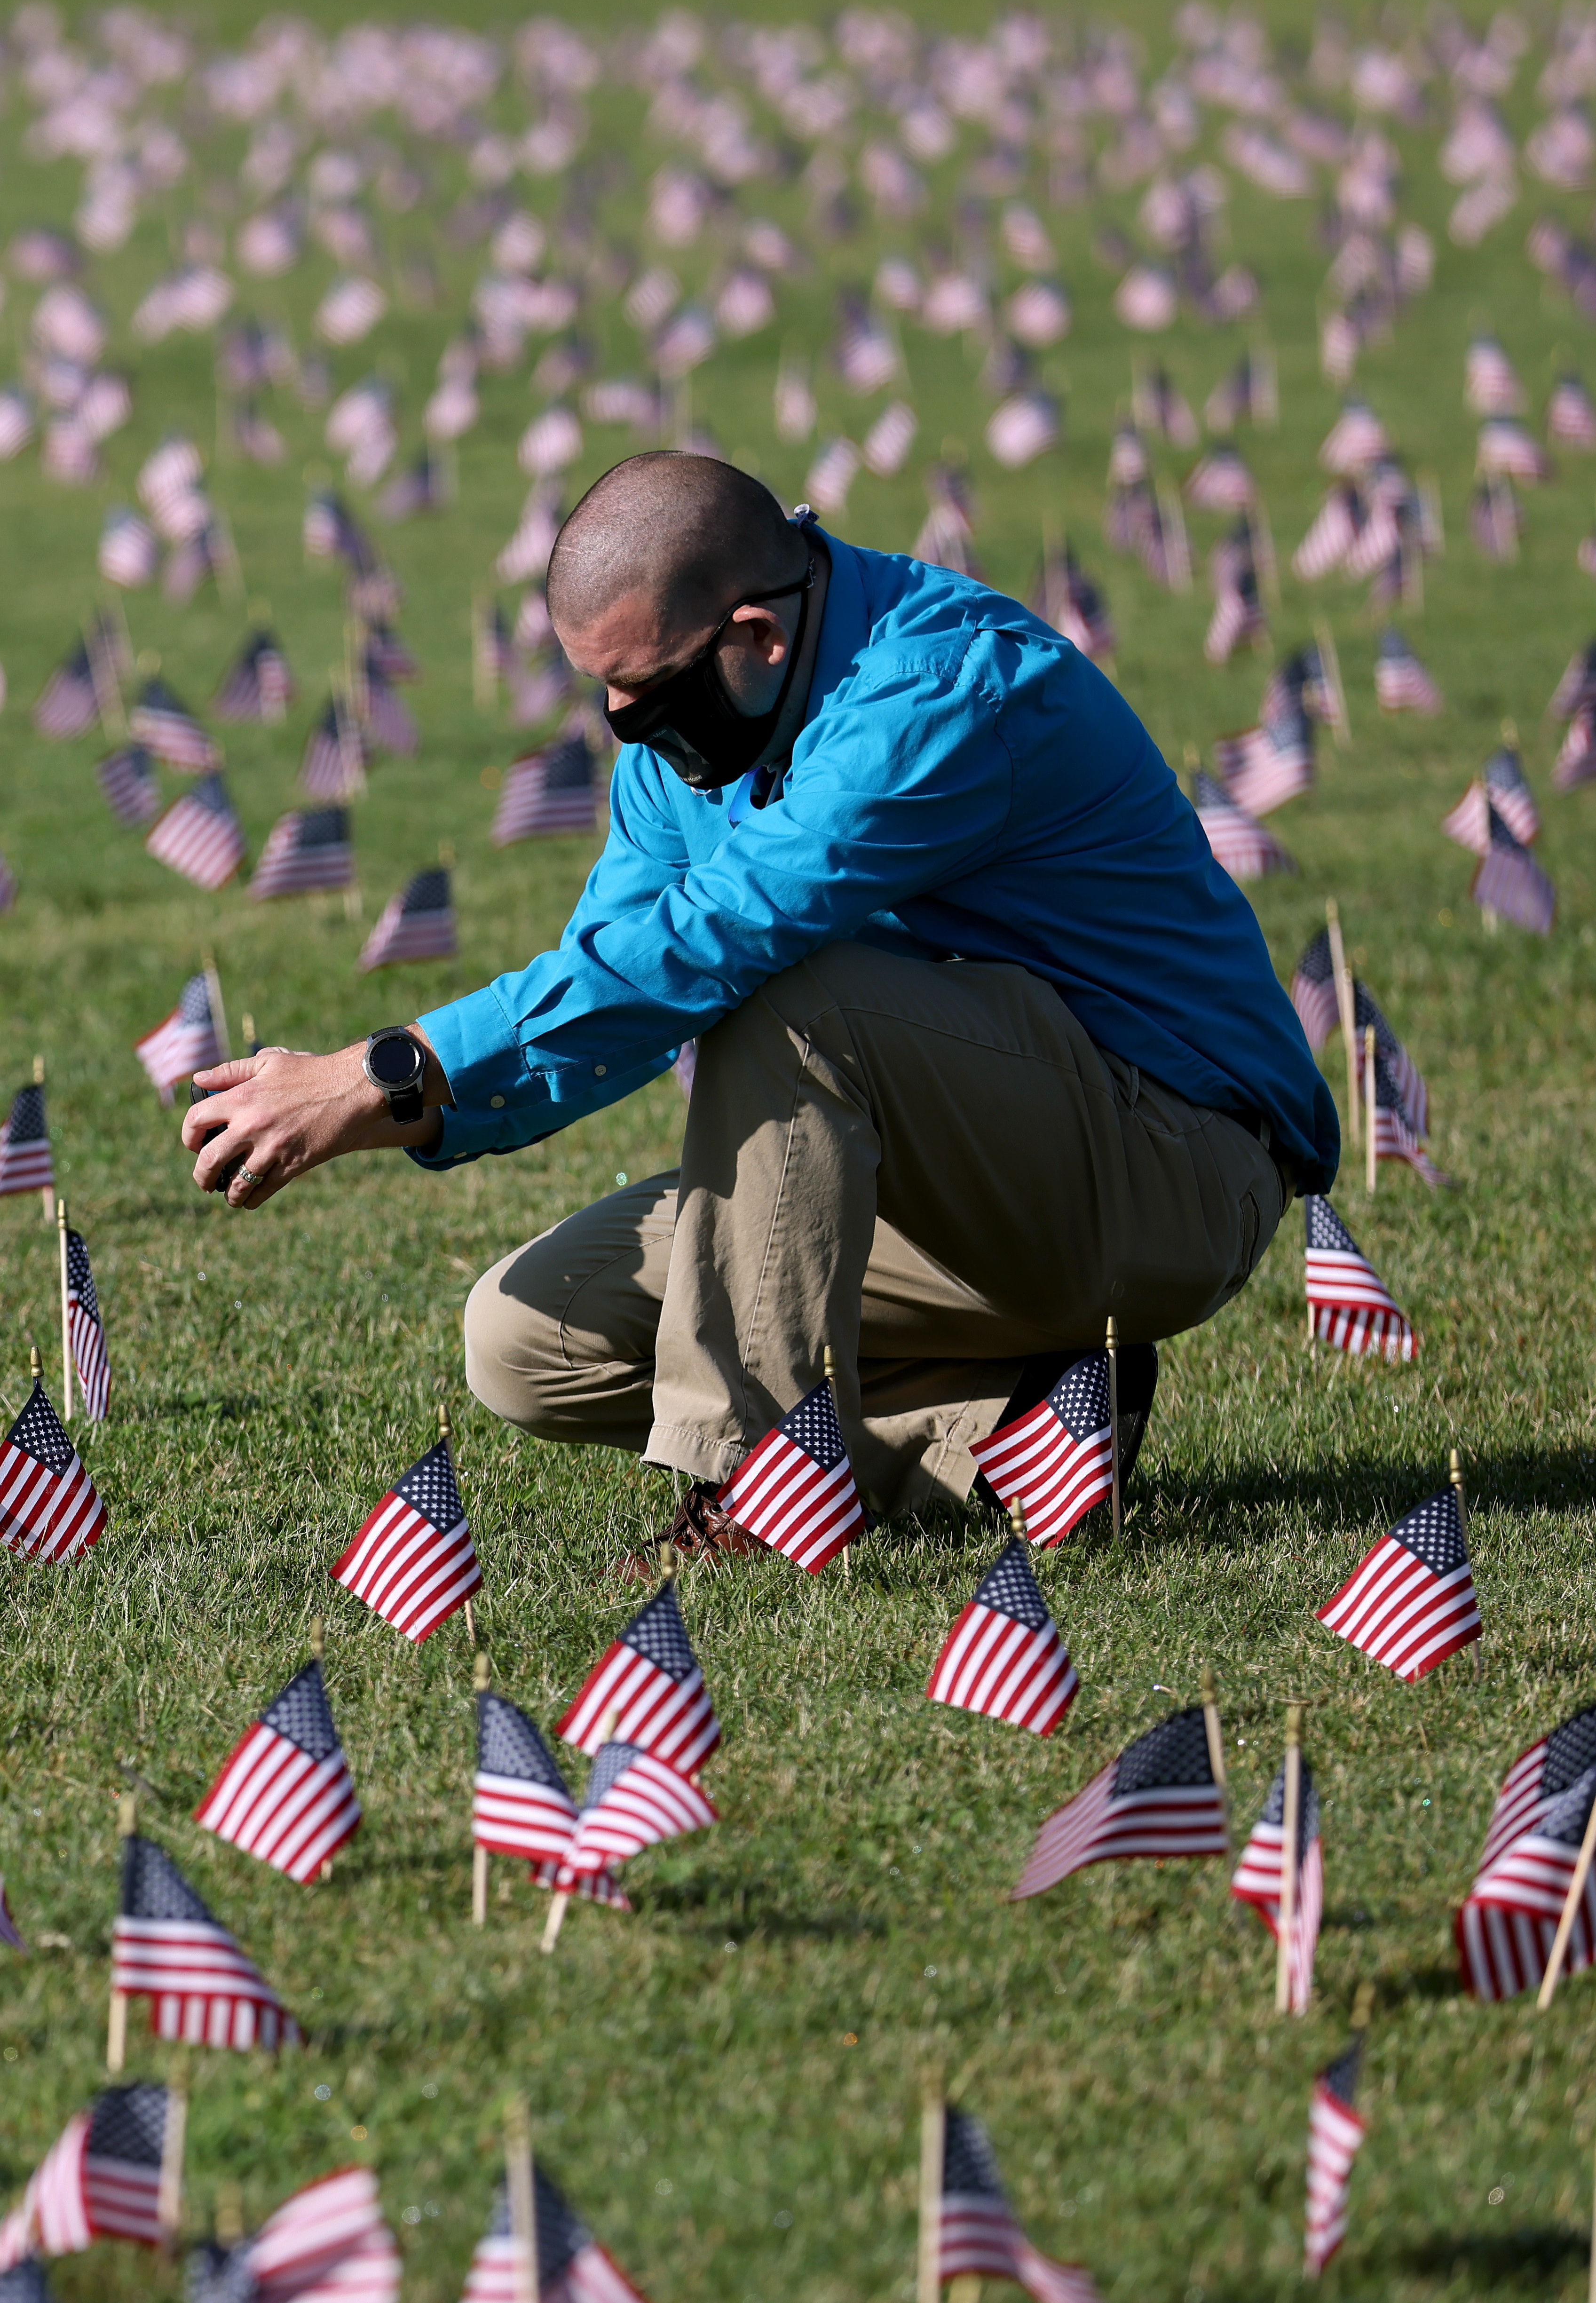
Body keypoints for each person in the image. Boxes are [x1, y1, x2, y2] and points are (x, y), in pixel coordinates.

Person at [179, 450, 1334, 1559]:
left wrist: (389, 1067)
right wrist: (413, 1099)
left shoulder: (935, 690)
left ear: (756, 637)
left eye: (644, 698)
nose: (627, 730)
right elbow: (613, 969)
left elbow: (712, 941)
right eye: (607, 701)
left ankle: (756, 1492)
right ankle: (1014, 1429)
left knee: (792, 997)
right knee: (523, 1339)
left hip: (1166, 1168)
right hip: (958, 1190)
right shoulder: (696, 734)